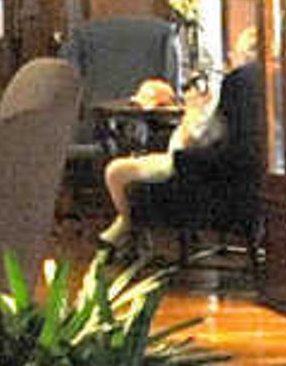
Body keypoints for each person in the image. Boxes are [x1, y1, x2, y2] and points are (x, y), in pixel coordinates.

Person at [97, 33, 247, 249]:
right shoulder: (239, 93)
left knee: (115, 170)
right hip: (199, 161)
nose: (230, 59)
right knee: (134, 160)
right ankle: (126, 224)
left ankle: (127, 223)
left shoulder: (230, 92)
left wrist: (192, 109)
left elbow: (194, 137)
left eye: (235, 55)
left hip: (187, 164)